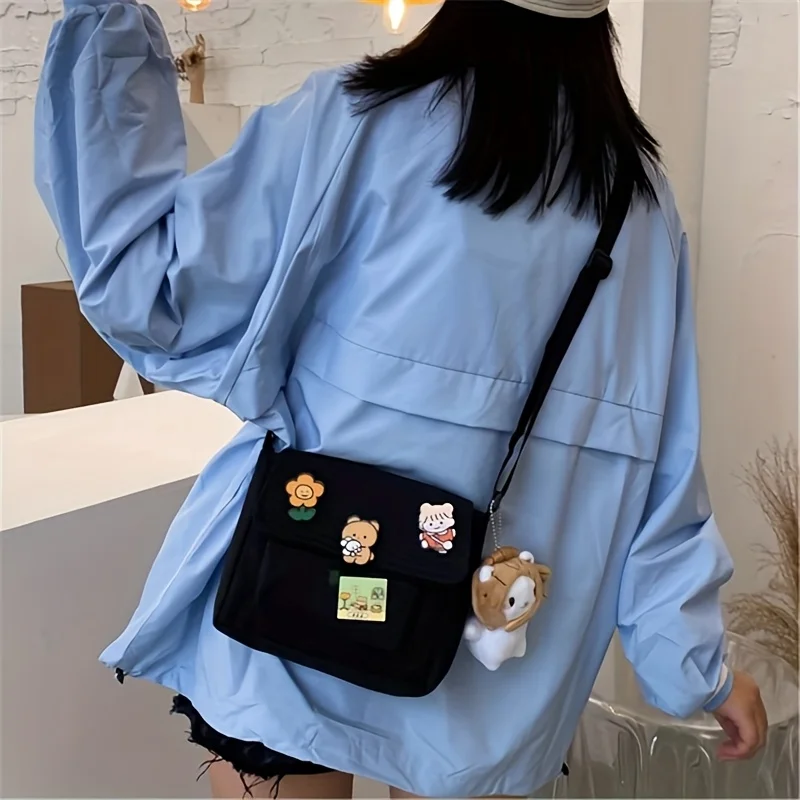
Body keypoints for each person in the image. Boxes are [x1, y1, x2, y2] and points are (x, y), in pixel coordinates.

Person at [35, 0, 768, 797]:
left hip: (295, 598)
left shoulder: (357, 122)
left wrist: (106, 26)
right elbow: (663, 470)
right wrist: (697, 668)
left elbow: (150, 289)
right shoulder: (636, 203)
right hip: (487, 656)